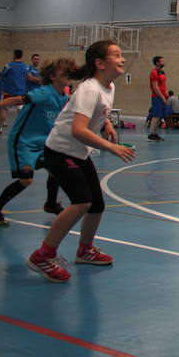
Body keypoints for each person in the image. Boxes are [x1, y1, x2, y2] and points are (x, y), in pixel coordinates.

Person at [26, 41, 136, 283]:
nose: (122, 59)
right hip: (61, 151)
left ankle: (84, 250)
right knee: (82, 202)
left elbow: (98, 112)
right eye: (116, 55)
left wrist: (106, 124)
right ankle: (42, 256)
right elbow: (77, 129)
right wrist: (111, 147)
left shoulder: (108, 87)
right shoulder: (90, 89)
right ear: (99, 63)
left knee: (96, 204)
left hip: (79, 153)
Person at [0, 58, 75, 226]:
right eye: (64, 71)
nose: (69, 74)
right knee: (26, 180)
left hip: (43, 144)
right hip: (24, 142)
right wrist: (0, 104)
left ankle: (51, 204)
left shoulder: (64, 96)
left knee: (56, 171)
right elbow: (19, 99)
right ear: (53, 76)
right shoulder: (44, 92)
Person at [0, 49, 28, 134]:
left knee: (3, 108)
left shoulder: (8, 65)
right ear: (21, 56)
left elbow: (2, 75)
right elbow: (26, 76)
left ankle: (0, 128)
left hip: (8, 92)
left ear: (14, 55)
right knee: (20, 112)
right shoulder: (25, 67)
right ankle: (20, 129)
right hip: (20, 93)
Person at [148, 55, 169, 142]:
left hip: (162, 96)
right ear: (157, 63)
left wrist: (166, 95)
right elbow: (155, 87)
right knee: (156, 115)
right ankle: (151, 134)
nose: (163, 62)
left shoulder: (162, 72)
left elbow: (163, 85)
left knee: (160, 116)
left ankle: (155, 133)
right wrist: (162, 97)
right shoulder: (154, 72)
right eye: (161, 61)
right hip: (157, 97)